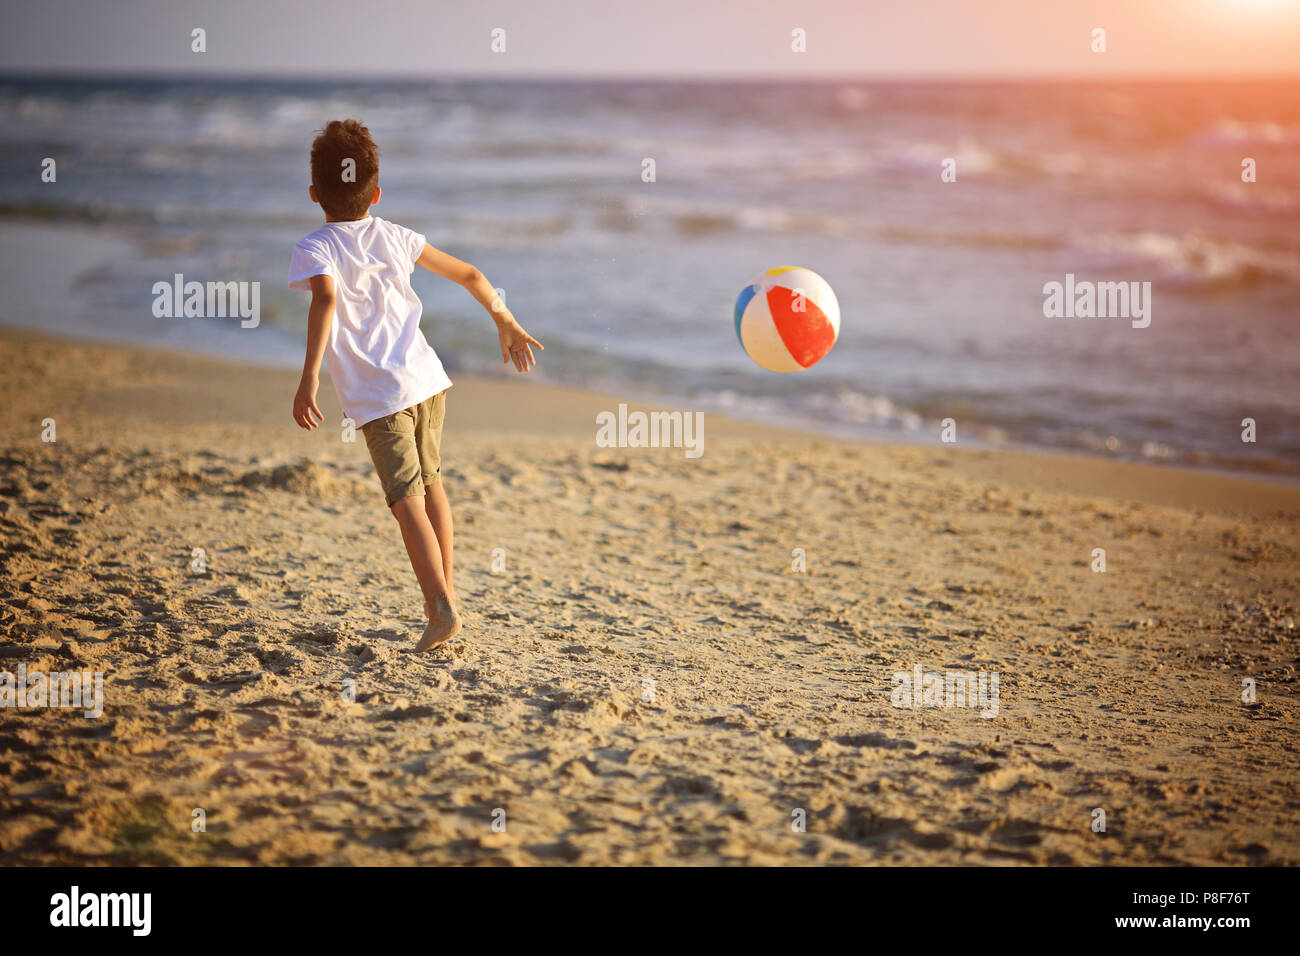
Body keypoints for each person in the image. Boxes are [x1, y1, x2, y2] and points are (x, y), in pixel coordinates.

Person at [288, 119, 542, 651]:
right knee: (432, 487)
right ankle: (445, 596)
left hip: (381, 397)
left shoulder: (315, 246)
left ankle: (440, 608)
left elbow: (327, 301)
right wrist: (506, 319)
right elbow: (472, 274)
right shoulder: (397, 235)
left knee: (405, 501)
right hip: (427, 381)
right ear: (376, 193)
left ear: (314, 194)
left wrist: (309, 376)